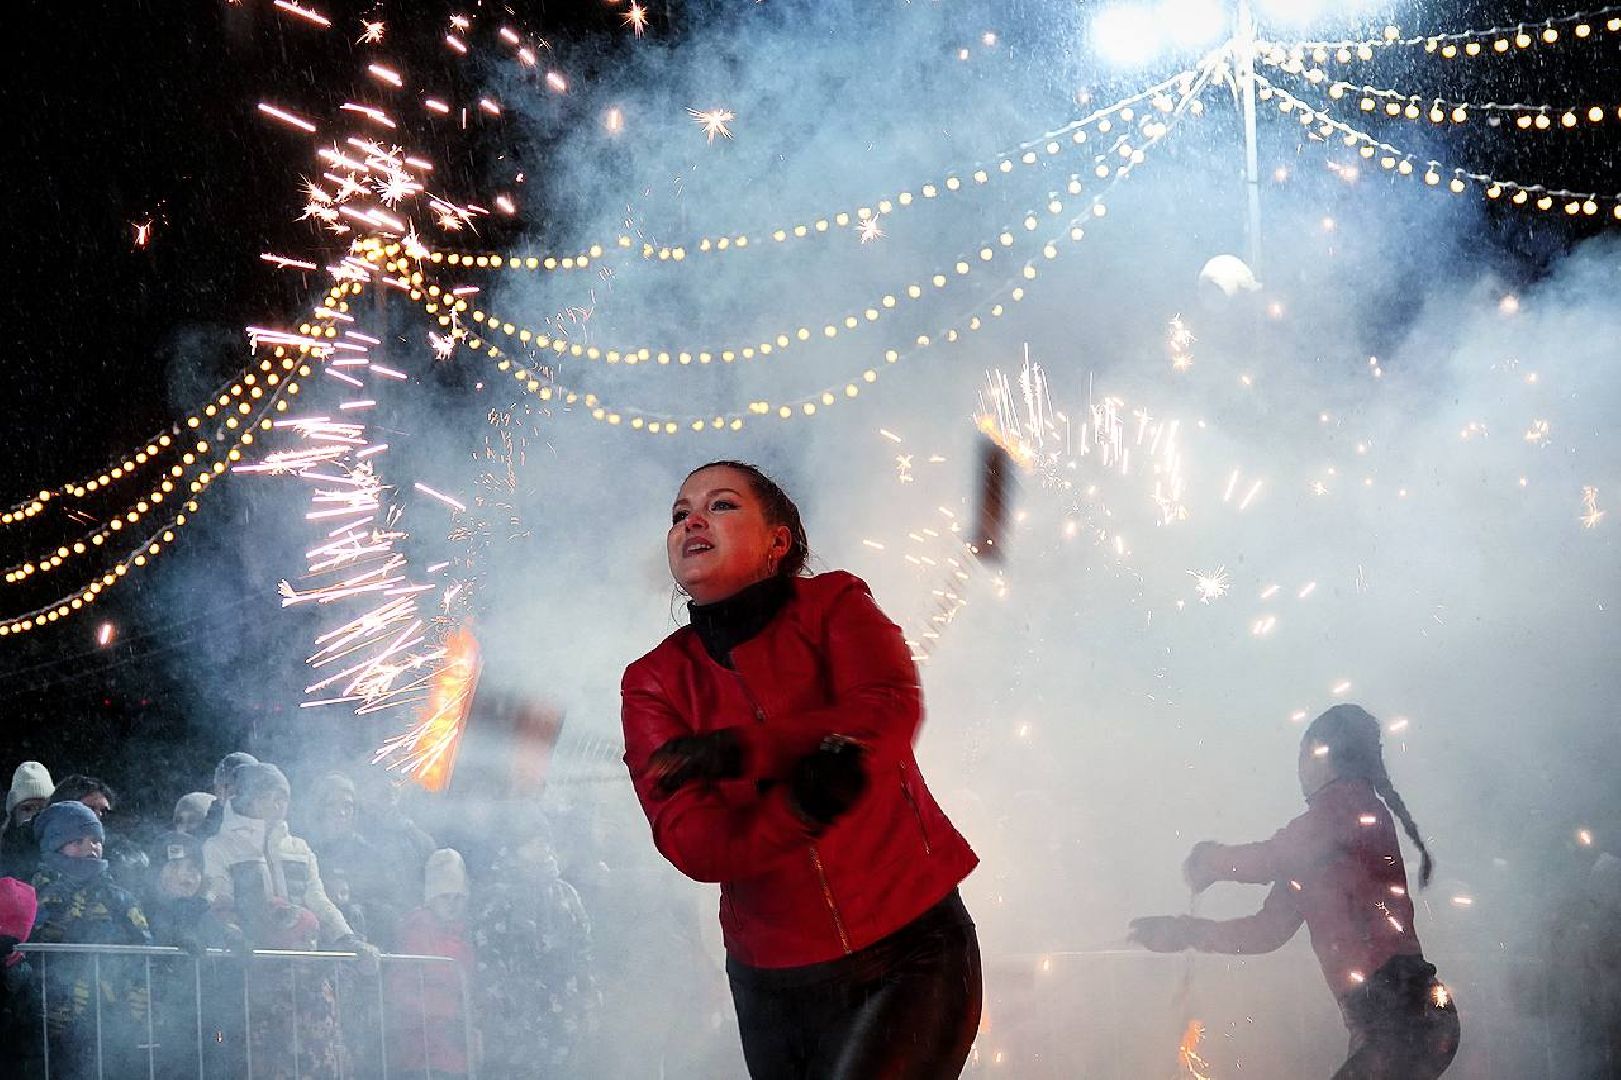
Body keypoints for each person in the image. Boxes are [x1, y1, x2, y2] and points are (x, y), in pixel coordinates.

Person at [621, 460, 981, 1079]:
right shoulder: (652, 683)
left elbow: (887, 707)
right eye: (680, 514)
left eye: (722, 505)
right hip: (774, 988)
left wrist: (743, 750)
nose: (692, 522)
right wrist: (796, 812)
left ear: (777, 543)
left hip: (911, 950)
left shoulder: (836, 603)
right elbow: (694, 845)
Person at [1129, 703, 1460, 1080]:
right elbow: (1266, 931)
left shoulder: (1349, 806)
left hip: (1405, 1018)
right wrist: (1187, 931)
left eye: (1305, 756)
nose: (1299, 770)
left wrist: (1211, 859)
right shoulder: (1318, 852)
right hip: (1399, 1024)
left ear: (1326, 757)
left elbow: (1269, 858)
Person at [203, 762, 372, 1080]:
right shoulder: (221, 846)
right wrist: (232, 932)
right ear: (250, 799)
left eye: (284, 797)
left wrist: (346, 938)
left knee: (318, 1059)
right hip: (255, 975)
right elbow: (218, 899)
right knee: (265, 1063)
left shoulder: (299, 848)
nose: (279, 804)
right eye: (270, 795)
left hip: (306, 972)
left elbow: (319, 900)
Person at [29, 800, 152, 1078]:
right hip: (57, 1018)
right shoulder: (37, 894)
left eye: (96, 840)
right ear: (54, 847)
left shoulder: (119, 897)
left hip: (115, 1015)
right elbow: (35, 940)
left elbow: (144, 944)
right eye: (77, 841)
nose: (90, 848)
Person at [472, 823, 598, 1073]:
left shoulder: (565, 894)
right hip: (516, 1019)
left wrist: (587, 995)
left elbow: (583, 950)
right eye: (533, 841)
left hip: (562, 1012)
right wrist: (504, 1002)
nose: (543, 847)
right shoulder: (498, 894)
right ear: (516, 848)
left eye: (545, 840)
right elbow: (487, 954)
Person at [392, 848, 475, 1079]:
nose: (452, 904)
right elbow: (437, 971)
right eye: (445, 897)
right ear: (431, 898)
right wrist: (451, 1012)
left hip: (452, 1042)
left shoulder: (461, 931)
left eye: (458, 898)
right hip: (426, 1043)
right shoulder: (418, 927)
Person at [1, 761, 53, 881]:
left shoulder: (66, 848)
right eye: (27, 809)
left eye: (42, 809)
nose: (35, 816)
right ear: (14, 812)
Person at [199, 751, 257, 840]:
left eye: (232, 785)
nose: (224, 791)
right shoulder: (208, 825)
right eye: (220, 784)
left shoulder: (267, 821)